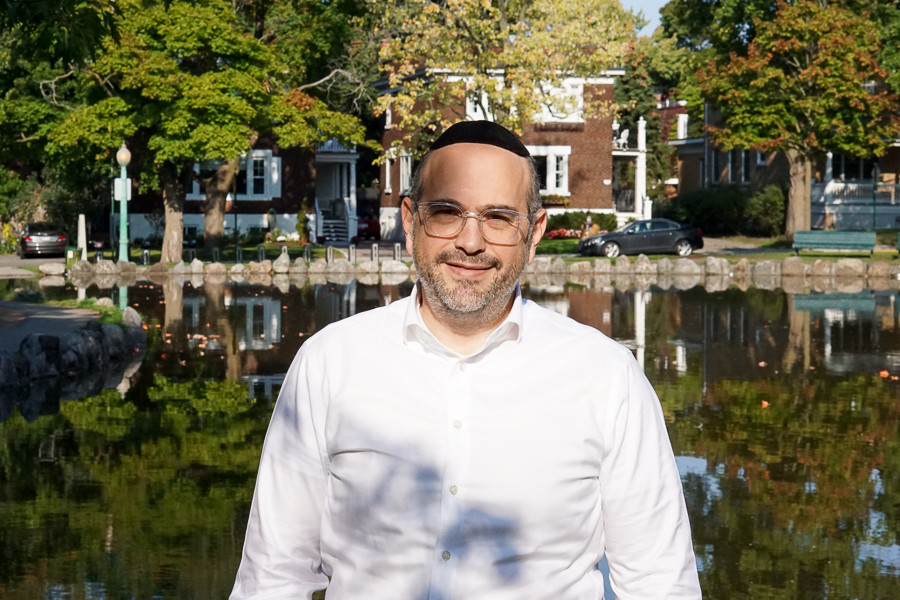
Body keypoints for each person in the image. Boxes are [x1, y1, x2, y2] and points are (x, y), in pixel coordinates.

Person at [230, 120, 702, 599]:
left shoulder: (606, 378)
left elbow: (660, 584)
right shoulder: (330, 364)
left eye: (498, 218)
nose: (471, 242)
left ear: (534, 233)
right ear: (411, 221)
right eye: (446, 213)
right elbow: (273, 578)